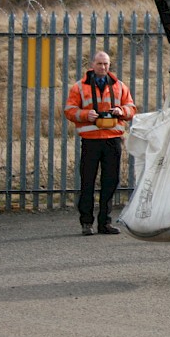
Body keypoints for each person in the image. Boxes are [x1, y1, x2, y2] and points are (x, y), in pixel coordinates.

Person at [65, 51, 136, 236]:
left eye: (105, 64)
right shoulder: (79, 87)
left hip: (112, 140)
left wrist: (121, 111)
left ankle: (105, 222)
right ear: (92, 64)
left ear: (109, 65)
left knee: (110, 182)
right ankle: (86, 223)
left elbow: (131, 108)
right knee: (87, 181)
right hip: (90, 141)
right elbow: (69, 110)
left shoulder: (120, 86)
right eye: (99, 63)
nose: (103, 67)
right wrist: (84, 114)